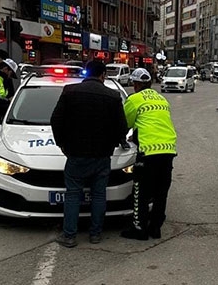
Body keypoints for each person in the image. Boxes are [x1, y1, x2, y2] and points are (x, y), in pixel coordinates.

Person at [50, 61, 129, 248]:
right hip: (102, 155)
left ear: (87, 74)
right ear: (103, 75)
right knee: (99, 195)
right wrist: (116, 142)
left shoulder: (70, 92)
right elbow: (122, 127)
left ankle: (69, 236)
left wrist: (62, 143)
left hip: (76, 154)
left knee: (73, 195)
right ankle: (95, 234)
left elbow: (56, 120)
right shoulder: (113, 96)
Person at [121, 68, 177, 241]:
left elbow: (126, 123)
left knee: (141, 191)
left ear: (136, 84)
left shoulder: (135, 99)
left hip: (148, 153)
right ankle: (155, 228)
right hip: (168, 151)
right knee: (161, 192)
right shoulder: (162, 99)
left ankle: (139, 229)